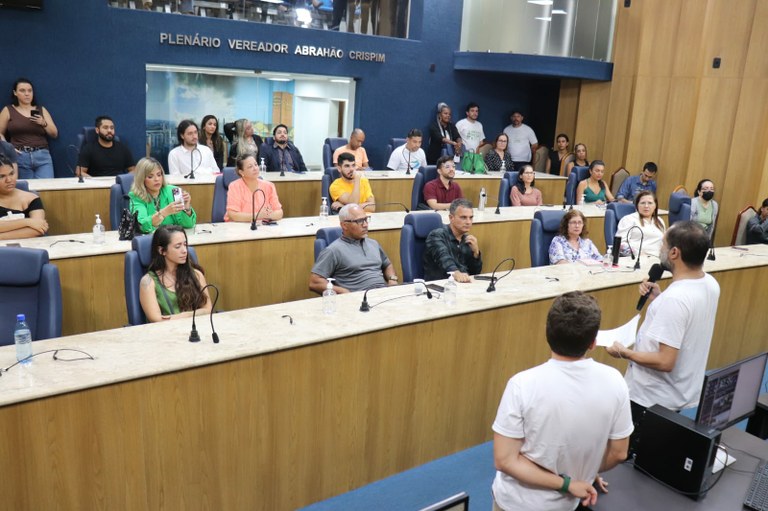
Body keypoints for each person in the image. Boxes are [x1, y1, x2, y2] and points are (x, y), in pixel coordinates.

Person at [492, 291, 632, 511]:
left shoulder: (522, 384)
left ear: (548, 333)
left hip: (518, 504)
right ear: (593, 342)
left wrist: (567, 484)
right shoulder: (615, 381)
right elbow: (619, 453)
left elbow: (505, 460)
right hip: (572, 504)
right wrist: (584, 472)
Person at [607, 222, 720, 429]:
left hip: (650, 399)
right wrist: (658, 298)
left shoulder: (675, 299)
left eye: (663, 245)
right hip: (677, 392)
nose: (660, 249)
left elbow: (665, 361)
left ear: (674, 253)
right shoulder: (710, 283)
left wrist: (624, 352)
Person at [309, 203, 398, 294]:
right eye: (359, 221)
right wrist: (343, 291)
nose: (365, 225)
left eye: (366, 219)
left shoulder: (373, 244)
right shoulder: (333, 251)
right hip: (359, 299)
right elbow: (314, 282)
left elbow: (387, 264)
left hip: (384, 294)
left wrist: (392, 279)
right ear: (344, 225)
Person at [139, 225, 212, 322]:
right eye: (178, 246)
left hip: (196, 331)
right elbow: (157, 320)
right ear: (162, 250)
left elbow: (208, 310)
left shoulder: (197, 275)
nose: (185, 251)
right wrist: (197, 313)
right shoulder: (148, 282)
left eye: (185, 244)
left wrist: (179, 316)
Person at [0, 78, 58, 179]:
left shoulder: (41, 109)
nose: (27, 94)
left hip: (42, 156)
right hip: (19, 156)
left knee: (47, 189)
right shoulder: (8, 110)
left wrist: (43, 123)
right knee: (26, 190)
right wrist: (8, 148)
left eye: (29, 90)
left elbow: (54, 134)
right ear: (15, 93)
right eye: (22, 90)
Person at [129, 157, 197, 234]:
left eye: (159, 174)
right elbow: (141, 226)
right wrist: (164, 212)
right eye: (150, 177)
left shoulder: (173, 191)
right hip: (151, 240)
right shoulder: (136, 197)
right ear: (141, 179)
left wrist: (187, 208)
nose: (156, 179)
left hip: (171, 238)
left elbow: (189, 225)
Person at [423, 198, 482, 282]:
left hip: (463, 286)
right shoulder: (437, 235)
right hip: (439, 287)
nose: (468, 222)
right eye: (463, 217)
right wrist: (456, 273)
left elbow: (474, 273)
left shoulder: (468, 240)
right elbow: (444, 258)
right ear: (451, 218)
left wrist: (476, 253)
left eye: (471, 218)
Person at [225, 153, 283, 222]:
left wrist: (268, 215)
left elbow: (279, 212)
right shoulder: (234, 186)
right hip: (239, 228)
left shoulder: (269, 186)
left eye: (255, 164)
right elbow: (233, 215)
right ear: (241, 172)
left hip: (263, 228)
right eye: (250, 167)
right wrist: (258, 215)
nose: (255, 168)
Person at [0, 154, 48, 239]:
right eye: (2, 176)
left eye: (11, 174)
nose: (9, 180)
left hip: (28, 248)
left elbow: (39, 229)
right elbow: (34, 223)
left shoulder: (32, 199)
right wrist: (27, 222)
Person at [615, 191, 666, 257]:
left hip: (658, 259)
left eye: (650, 203)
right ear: (637, 205)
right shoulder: (628, 219)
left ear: (655, 205)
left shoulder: (660, 221)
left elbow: (665, 243)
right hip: (637, 258)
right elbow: (620, 244)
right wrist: (638, 253)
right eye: (642, 203)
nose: (646, 206)